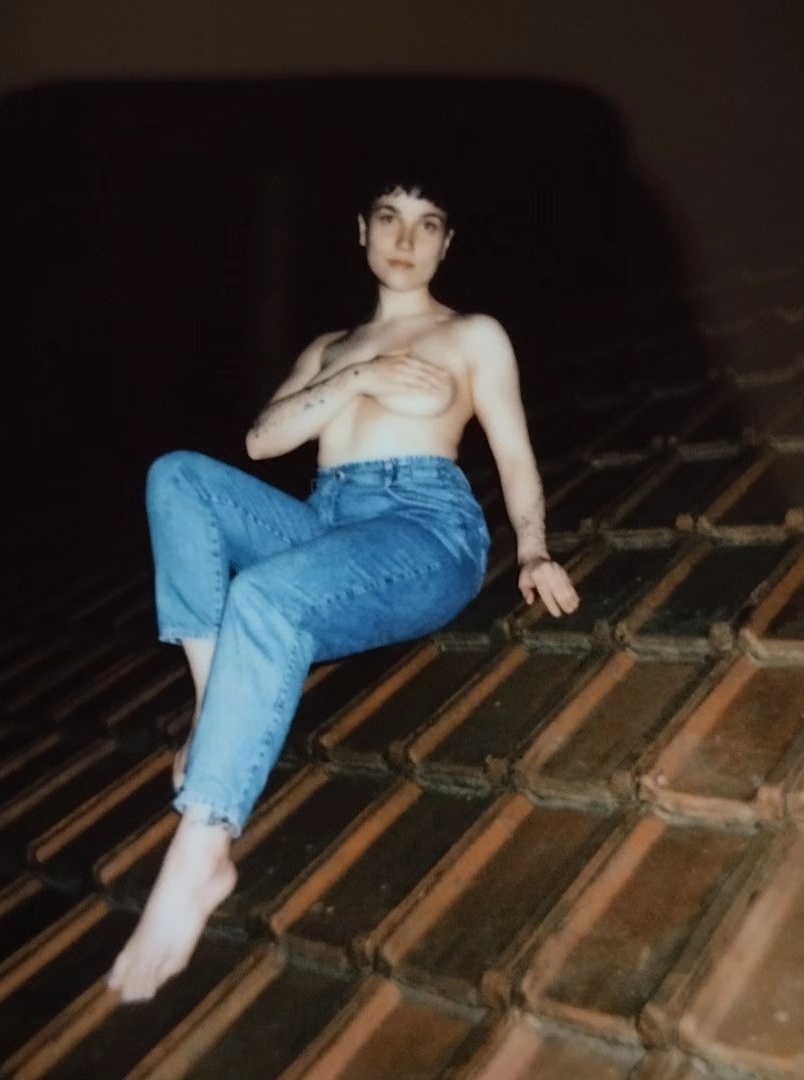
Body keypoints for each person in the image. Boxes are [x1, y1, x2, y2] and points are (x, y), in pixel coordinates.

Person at [107, 176, 580, 1001]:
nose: (406, 238)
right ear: (362, 230)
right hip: (324, 520)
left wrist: (534, 551)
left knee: (261, 597)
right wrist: (361, 377)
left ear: (447, 244)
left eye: (428, 224)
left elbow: (514, 455)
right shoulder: (329, 348)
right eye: (390, 218)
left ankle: (202, 848)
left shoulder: (472, 334)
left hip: (423, 528)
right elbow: (262, 441)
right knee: (176, 476)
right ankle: (216, 706)